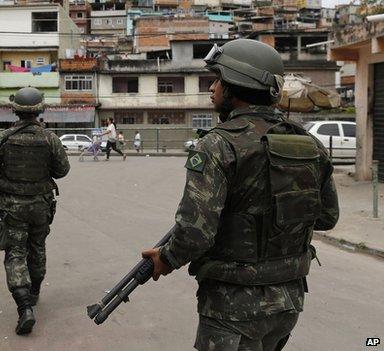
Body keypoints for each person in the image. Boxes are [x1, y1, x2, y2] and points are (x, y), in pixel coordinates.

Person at [139, 39, 339, 351]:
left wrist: (166, 258)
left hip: (232, 306)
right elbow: (327, 217)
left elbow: (195, 233)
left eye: (217, 80)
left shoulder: (217, 146)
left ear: (234, 85)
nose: (212, 89)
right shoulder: (308, 144)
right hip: (288, 299)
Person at [0, 87, 70, 335]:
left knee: (15, 253)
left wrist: (8, 186)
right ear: (40, 110)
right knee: (37, 248)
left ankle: (24, 308)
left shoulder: (2, 138)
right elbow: (62, 171)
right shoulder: (49, 138)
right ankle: (34, 293)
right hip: (41, 206)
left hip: (12, 207)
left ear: (15, 111)